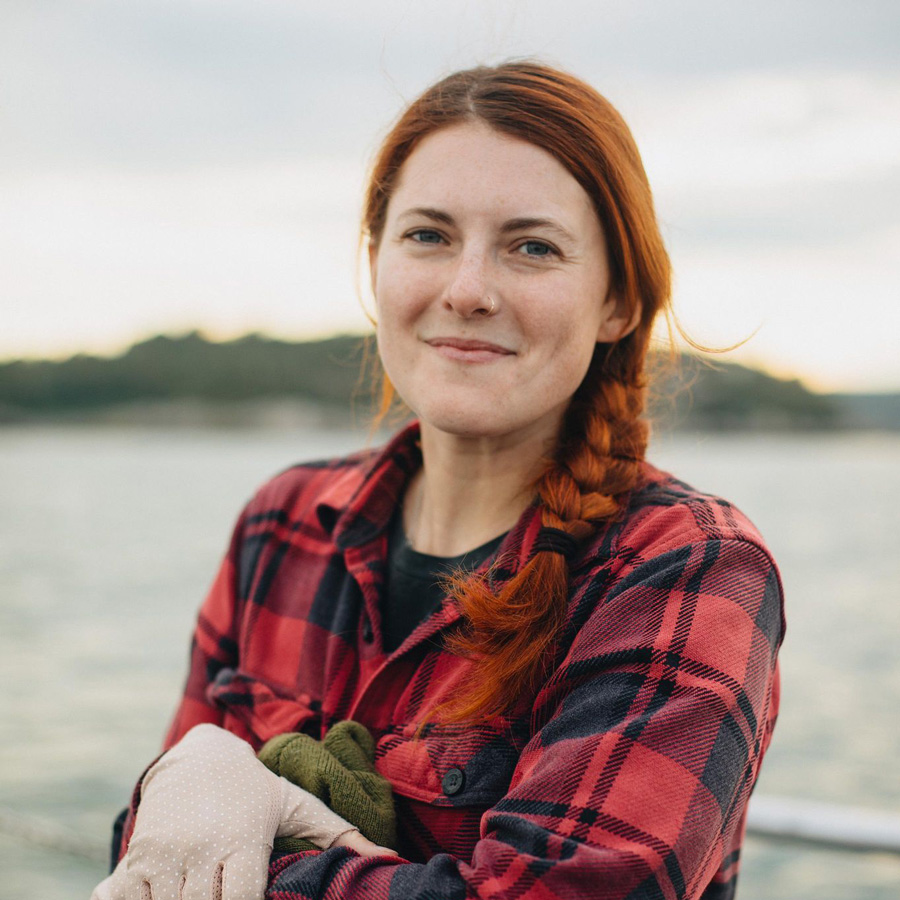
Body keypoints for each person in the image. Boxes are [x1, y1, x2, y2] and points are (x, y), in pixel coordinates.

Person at [92, 60, 784, 900]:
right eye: (429, 235)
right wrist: (191, 784)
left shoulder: (683, 567)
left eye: (533, 247)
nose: (467, 290)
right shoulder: (282, 524)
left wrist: (238, 813)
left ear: (619, 301)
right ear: (377, 261)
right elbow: (145, 856)